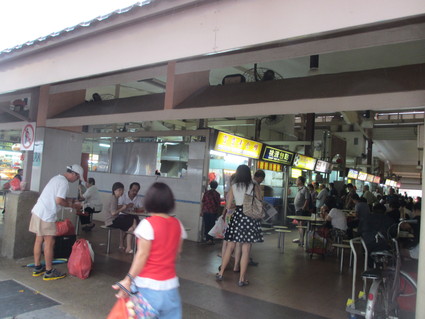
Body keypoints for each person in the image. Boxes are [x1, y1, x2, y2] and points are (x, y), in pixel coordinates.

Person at [113, 182, 187, 319]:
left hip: (147, 289)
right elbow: (176, 256)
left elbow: (142, 256)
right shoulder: (178, 225)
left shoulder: (147, 225)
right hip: (171, 291)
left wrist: (128, 279)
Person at [29, 164, 84, 280]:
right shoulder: (64, 183)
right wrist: (73, 206)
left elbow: (57, 197)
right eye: (77, 177)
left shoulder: (56, 178)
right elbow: (59, 200)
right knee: (50, 242)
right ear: (73, 174)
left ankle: (37, 268)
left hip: (38, 211)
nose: (77, 180)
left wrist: (72, 200)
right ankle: (49, 271)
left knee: (39, 240)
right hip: (47, 215)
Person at [216, 165, 263, 287]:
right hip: (249, 218)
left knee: (230, 245)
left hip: (237, 216)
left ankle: (221, 273)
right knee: (246, 249)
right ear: (249, 174)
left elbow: (229, 205)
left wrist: (236, 205)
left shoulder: (234, 186)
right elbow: (260, 199)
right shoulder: (254, 185)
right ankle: (242, 279)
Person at [118, 182, 145, 253]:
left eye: (136, 191)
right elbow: (118, 207)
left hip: (133, 216)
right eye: (133, 190)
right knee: (133, 224)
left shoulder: (138, 198)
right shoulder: (123, 196)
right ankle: (134, 246)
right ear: (129, 189)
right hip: (122, 215)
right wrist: (127, 206)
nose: (135, 192)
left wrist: (137, 209)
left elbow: (142, 208)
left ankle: (128, 247)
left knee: (133, 227)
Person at [201, 180, 221, 245]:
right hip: (213, 212)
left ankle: (207, 239)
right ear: (216, 186)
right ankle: (211, 239)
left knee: (206, 225)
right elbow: (218, 205)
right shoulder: (217, 194)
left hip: (206, 211)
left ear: (210, 185)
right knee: (212, 226)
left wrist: (201, 211)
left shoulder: (206, 193)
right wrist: (218, 213)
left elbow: (203, 202)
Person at [293, 176, 310, 246]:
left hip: (301, 210)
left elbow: (307, 199)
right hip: (298, 209)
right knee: (300, 225)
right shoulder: (299, 189)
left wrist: (303, 208)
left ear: (300, 181)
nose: (296, 182)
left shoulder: (305, 189)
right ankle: (301, 239)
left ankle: (302, 240)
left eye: (297, 180)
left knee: (301, 225)